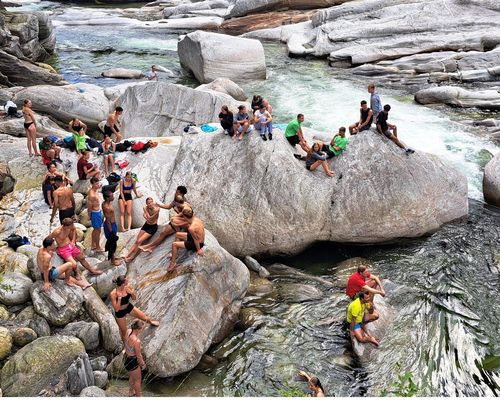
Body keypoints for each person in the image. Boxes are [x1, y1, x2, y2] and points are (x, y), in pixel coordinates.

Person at [110, 275, 159, 341]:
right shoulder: (113, 294)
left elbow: (134, 298)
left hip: (128, 307)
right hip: (120, 312)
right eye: (126, 280)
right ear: (122, 284)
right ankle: (125, 346)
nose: (128, 280)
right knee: (124, 332)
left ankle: (151, 322)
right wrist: (119, 299)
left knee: (144, 317)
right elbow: (116, 309)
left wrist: (132, 293)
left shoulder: (128, 287)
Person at [167, 207, 205, 272]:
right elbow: (187, 223)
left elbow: (195, 239)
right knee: (178, 234)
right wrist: (179, 224)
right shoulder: (196, 219)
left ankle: (173, 263)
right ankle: (175, 254)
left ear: (184, 217)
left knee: (174, 244)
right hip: (198, 238)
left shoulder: (191, 228)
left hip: (197, 243)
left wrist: (199, 250)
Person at [124, 197, 159, 262]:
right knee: (137, 241)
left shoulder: (156, 209)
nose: (150, 204)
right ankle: (127, 255)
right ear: (146, 204)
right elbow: (148, 217)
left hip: (152, 227)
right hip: (146, 225)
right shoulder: (145, 208)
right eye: (149, 203)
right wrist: (146, 216)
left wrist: (145, 216)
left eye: (151, 202)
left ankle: (132, 257)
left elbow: (150, 219)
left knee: (139, 241)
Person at [124, 320, 147, 397]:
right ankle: (138, 396)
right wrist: (143, 364)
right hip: (132, 361)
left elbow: (126, 343)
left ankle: (131, 391)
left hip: (125, 358)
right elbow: (138, 355)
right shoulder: (136, 341)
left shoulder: (128, 331)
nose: (142, 330)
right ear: (138, 329)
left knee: (132, 376)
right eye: (142, 329)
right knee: (137, 380)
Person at [102, 190, 121, 266]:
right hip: (110, 226)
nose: (113, 197)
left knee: (113, 242)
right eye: (111, 196)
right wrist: (111, 232)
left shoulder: (105, 203)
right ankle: (112, 260)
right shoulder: (107, 207)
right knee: (112, 243)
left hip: (113, 224)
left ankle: (113, 256)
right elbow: (108, 220)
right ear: (107, 198)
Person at [87, 177, 104, 252]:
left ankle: (93, 244)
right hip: (95, 213)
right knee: (98, 230)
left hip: (98, 212)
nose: (98, 185)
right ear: (92, 184)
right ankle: (97, 246)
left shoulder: (95, 190)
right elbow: (89, 206)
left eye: (98, 183)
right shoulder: (92, 195)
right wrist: (89, 215)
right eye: (96, 184)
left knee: (96, 230)